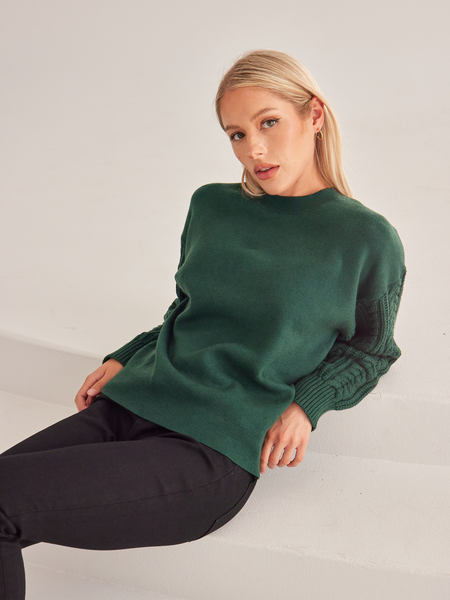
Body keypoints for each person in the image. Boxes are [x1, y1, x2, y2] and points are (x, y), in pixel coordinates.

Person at [0, 49, 406, 599]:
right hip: (133, 403)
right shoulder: (211, 206)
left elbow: (372, 349)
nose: (253, 148)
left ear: (313, 114)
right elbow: (189, 307)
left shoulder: (364, 238)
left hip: (209, 450)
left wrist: (306, 405)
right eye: (237, 134)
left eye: (268, 123)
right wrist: (129, 354)